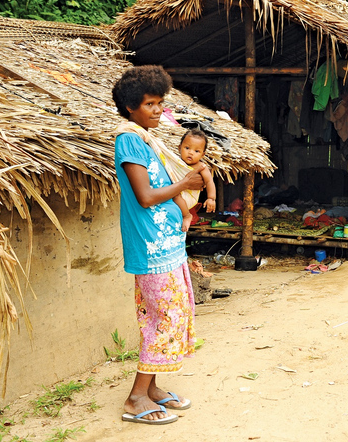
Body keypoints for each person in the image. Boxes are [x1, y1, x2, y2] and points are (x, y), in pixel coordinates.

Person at [113, 65, 205, 425]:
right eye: (149, 104)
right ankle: (137, 397)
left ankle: (151, 388)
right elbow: (146, 196)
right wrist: (184, 185)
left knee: (171, 313)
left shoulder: (147, 138)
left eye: (159, 103)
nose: (156, 110)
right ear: (131, 107)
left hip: (167, 244)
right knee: (165, 318)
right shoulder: (129, 140)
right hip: (151, 247)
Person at [176, 128, 216, 227]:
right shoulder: (175, 162)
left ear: (202, 154)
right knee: (174, 195)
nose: (191, 153)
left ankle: (187, 216)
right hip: (177, 194)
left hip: (190, 197)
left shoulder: (201, 167)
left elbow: (209, 181)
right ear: (179, 148)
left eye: (196, 151)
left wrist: (211, 198)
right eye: (187, 148)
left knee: (175, 195)